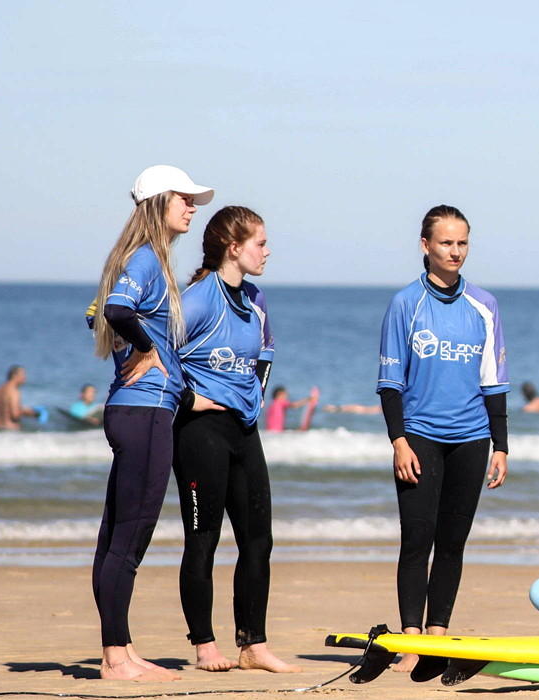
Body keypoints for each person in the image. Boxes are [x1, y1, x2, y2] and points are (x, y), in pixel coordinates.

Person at [86, 164, 211, 682]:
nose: (192, 207)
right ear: (159, 202)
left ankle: (120, 648)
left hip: (134, 408)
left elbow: (94, 313)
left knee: (116, 537)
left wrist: (144, 351)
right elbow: (114, 311)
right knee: (129, 539)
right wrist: (144, 350)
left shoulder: (139, 258)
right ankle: (116, 658)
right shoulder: (145, 259)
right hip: (144, 412)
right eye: (184, 198)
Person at [376, 205, 510, 670]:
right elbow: (389, 382)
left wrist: (501, 445)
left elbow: (494, 380)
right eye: (446, 242)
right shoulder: (405, 304)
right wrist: (398, 441)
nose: (455, 251)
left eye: (462, 243)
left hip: (472, 437)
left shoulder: (484, 305)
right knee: (417, 538)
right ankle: (411, 639)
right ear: (426, 245)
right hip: (419, 436)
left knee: (453, 541)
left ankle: (438, 635)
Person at [170, 205, 300, 673]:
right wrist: (189, 400)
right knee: (203, 540)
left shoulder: (254, 297)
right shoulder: (199, 298)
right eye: (259, 243)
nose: (267, 251)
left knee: (258, 541)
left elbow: (265, 353)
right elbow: (153, 351)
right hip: (200, 432)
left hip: (243, 430)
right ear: (233, 247)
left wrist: (255, 399)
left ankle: (253, 645)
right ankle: (205, 645)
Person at [0, 365, 39, 430]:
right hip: (11, 429)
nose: (25, 377)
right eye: (23, 375)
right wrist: (31, 413)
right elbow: (15, 414)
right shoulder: (14, 391)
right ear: (14, 375)